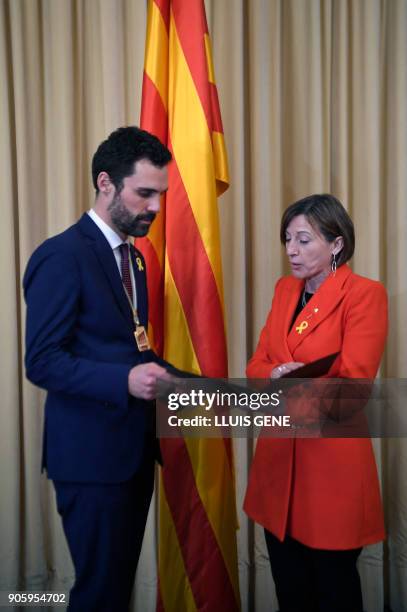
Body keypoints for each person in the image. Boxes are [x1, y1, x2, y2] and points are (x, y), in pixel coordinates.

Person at [23, 126, 174, 612]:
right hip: (91, 461)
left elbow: (134, 349)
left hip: (132, 453)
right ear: (106, 183)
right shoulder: (62, 256)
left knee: (115, 591)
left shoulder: (136, 259)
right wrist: (123, 380)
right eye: (144, 193)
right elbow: (42, 361)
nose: (154, 207)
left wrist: (214, 388)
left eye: (160, 195)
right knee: (99, 594)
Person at [244, 194, 388, 612]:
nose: (291, 249)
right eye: (288, 238)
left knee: (334, 591)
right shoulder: (284, 289)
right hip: (277, 468)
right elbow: (257, 364)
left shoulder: (364, 295)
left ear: (336, 244)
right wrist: (272, 377)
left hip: (330, 472)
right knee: (290, 591)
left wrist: (289, 388)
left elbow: (354, 388)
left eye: (304, 240)